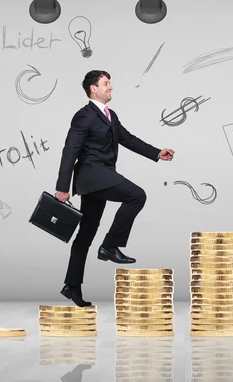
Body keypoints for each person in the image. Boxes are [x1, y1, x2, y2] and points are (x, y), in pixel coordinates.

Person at [55, 70, 175, 307]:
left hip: (102, 176)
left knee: (86, 233)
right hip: (91, 175)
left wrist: (156, 153)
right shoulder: (83, 116)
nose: (111, 87)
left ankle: (72, 286)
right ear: (94, 89)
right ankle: (110, 246)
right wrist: (62, 186)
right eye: (106, 84)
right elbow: (70, 150)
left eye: (110, 83)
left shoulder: (111, 115)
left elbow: (128, 139)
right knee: (137, 195)